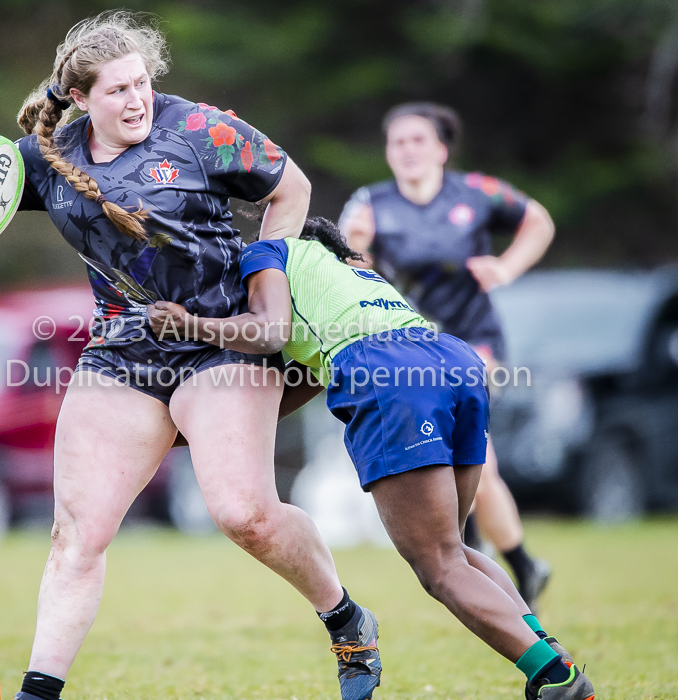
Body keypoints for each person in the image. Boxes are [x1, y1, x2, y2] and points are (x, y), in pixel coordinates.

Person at [0, 12, 380, 700]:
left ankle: (345, 617)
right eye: (117, 91)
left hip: (220, 342)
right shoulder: (49, 156)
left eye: (142, 84)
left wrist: (267, 275)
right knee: (76, 536)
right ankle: (36, 694)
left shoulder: (196, 129)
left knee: (243, 514)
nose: (137, 101)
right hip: (123, 356)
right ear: (78, 99)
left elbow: (291, 188)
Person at [147, 217, 594, 700]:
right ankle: (552, 652)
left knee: (439, 566)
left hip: (389, 376)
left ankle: (556, 677)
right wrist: (208, 435)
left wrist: (188, 325)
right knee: (456, 551)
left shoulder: (268, 251)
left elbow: (270, 331)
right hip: (453, 360)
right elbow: (298, 383)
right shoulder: (348, 277)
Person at [339, 102, 555, 610]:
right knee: (457, 464)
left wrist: (506, 267)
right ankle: (514, 563)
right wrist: (358, 253)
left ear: (441, 149)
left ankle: (506, 564)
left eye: (418, 141)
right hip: (411, 348)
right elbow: (345, 265)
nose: (408, 151)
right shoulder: (370, 204)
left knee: (481, 461)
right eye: (398, 142)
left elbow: (538, 221)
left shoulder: (476, 193)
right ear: (388, 152)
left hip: (475, 340)